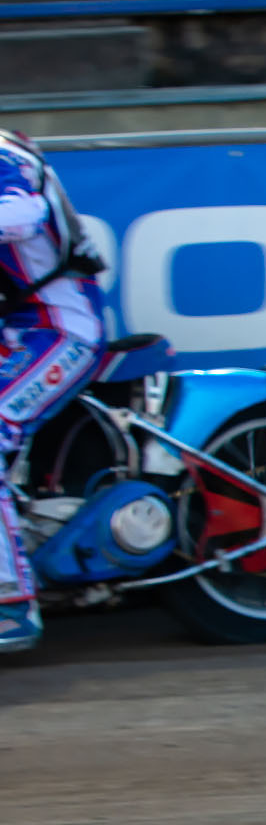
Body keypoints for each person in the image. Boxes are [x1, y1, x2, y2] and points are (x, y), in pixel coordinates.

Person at [0, 130, 107, 653]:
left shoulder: (2, 156)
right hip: (15, 330)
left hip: (61, 328)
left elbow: (24, 214)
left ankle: (9, 605)